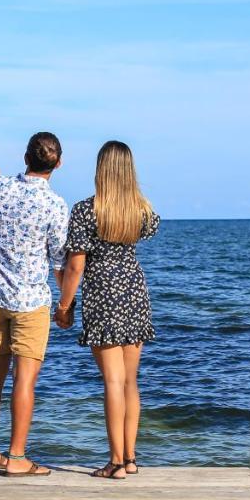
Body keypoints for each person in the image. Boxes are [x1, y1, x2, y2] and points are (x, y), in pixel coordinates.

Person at [55, 140, 160, 480]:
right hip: (133, 290)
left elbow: (75, 267)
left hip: (102, 292)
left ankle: (115, 462)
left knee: (112, 382)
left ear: (100, 169)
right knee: (130, 381)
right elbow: (152, 224)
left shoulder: (87, 211)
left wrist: (64, 306)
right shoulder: (140, 211)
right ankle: (130, 457)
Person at [0, 131, 69, 477]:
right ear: (57, 164)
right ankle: (16, 458)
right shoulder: (56, 206)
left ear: (25, 157)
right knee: (24, 382)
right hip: (31, 301)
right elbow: (59, 262)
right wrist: (66, 304)